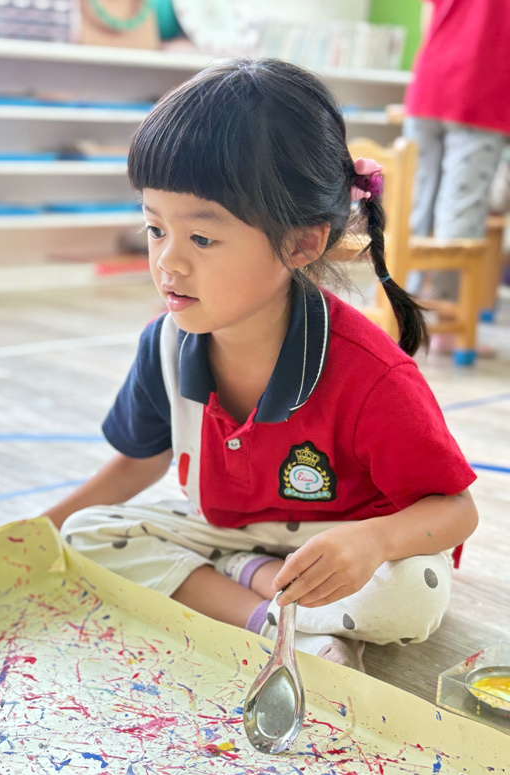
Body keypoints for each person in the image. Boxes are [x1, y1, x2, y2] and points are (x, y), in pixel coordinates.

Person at [41, 58, 478, 672]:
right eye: (154, 228)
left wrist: (372, 540)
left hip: (342, 547)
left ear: (301, 243)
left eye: (202, 238)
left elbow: (456, 510)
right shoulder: (165, 345)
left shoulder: (371, 374)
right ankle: (269, 618)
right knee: (85, 534)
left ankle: (244, 583)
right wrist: (33, 533)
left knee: (413, 596)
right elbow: (139, 462)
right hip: (228, 533)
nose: (168, 263)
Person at [403, 0, 510, 345]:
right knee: (460, 213)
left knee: (414, 207)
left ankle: (403, 309)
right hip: (481, 90)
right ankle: (446, 326)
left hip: (429, 85)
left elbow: (429, 18)